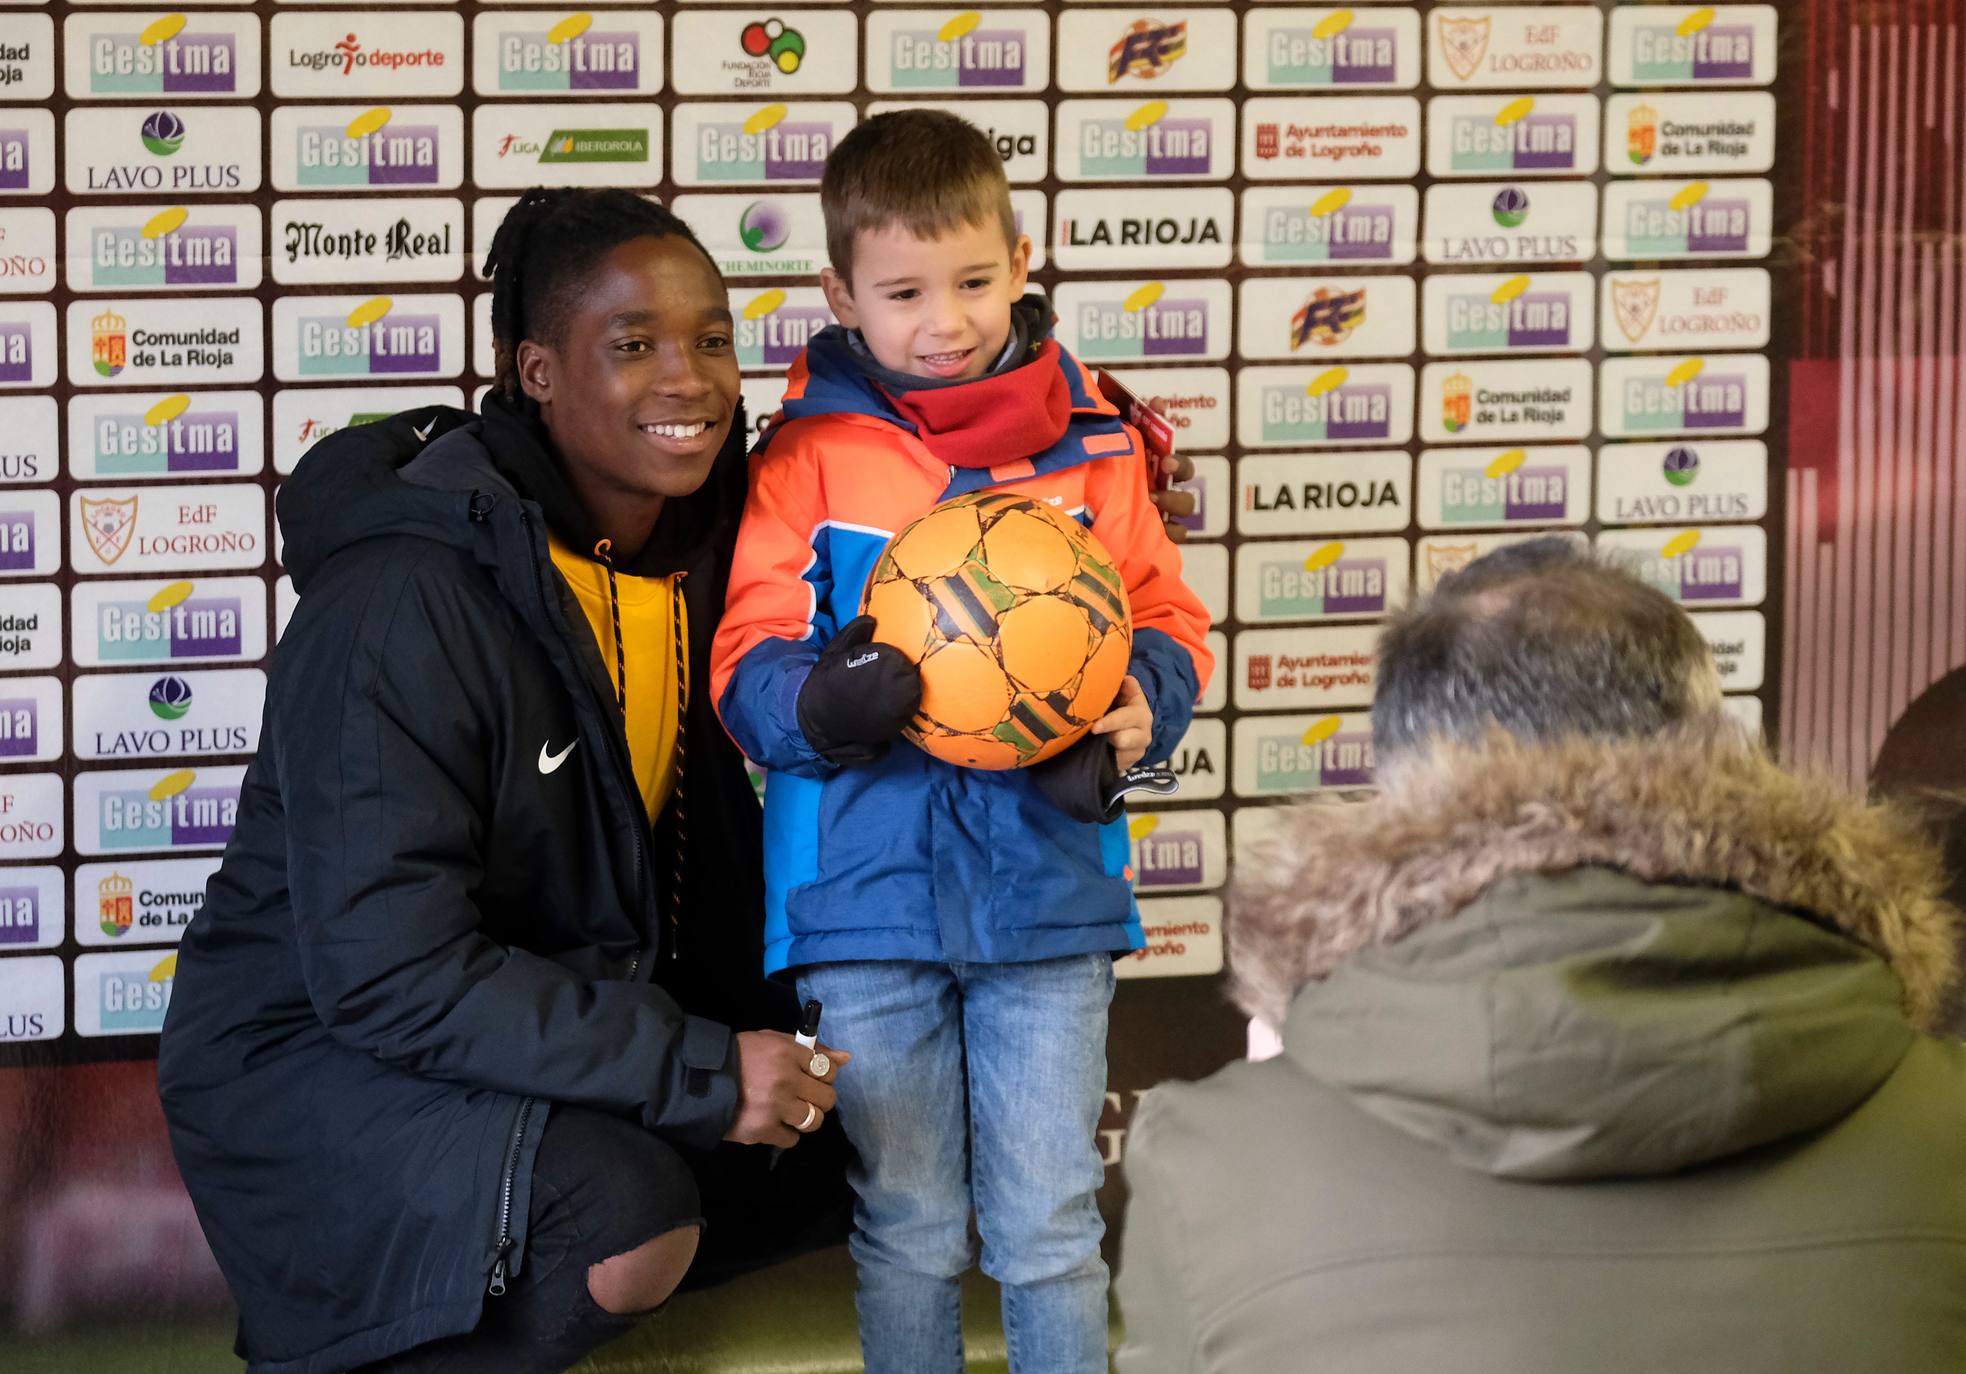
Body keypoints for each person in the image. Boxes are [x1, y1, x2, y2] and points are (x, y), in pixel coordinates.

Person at [158, 189, 856, 1374]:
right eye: (631, 346)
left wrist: (1094, 479)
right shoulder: (402, 596)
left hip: (540, 1020)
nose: (687, 380)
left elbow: (905, 475)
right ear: (536, 369)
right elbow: (385, 974)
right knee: (622, 1216)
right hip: (318, 1057)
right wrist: (692, 1070)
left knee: (875, 1143)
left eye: (710, 340)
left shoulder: (706, 545)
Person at [1116, 538, 1966, 1374]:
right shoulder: (1943, 1120)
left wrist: (1294, 1075)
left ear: (1398, 784)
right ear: (1720, 758)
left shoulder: (1213, 1164)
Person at [709, 109, 1214, 1374]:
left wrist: (1143, 701)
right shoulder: (807, 457)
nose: (945, 318)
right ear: (840, 293)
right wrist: (816, 705)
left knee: (1048, 1223)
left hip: (1048, 891)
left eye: (975, 281)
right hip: (862, 905)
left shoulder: (1096, 439)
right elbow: (744, 656)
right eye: (903, 291)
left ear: (1023, 259)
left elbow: (1163, 615)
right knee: (911, 1221)